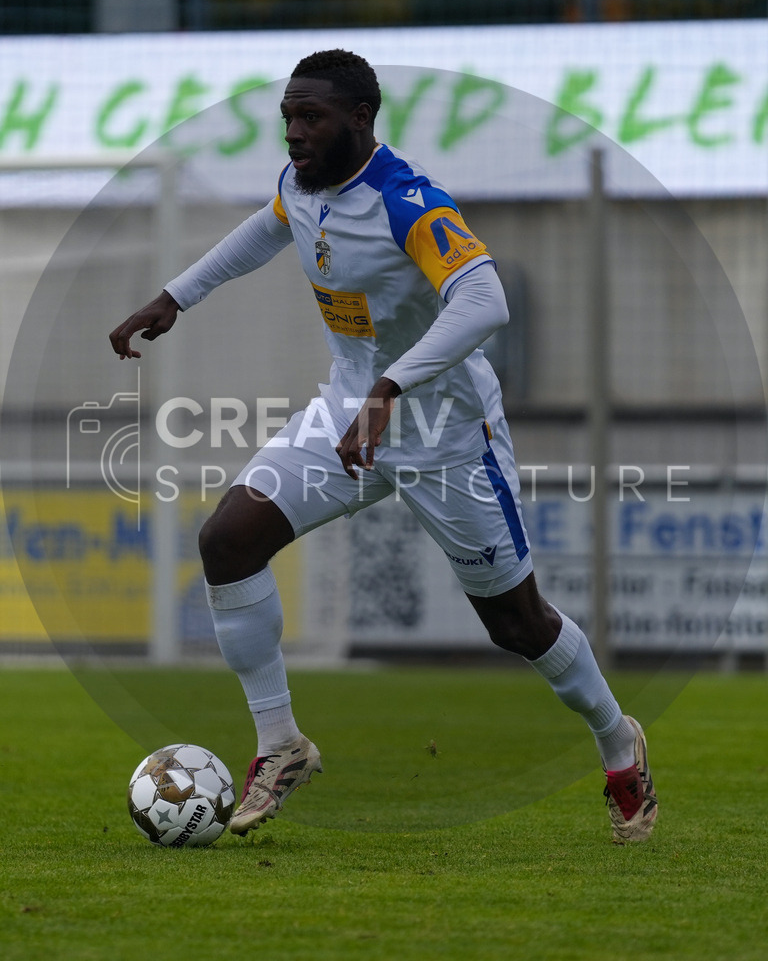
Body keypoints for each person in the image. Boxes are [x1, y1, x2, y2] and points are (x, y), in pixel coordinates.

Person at [109, 49, 657, 844]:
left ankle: (618, 743)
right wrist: (174, 297)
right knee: (228, 541)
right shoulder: (302, 185)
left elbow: (484, 299)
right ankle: (280, 744)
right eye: (289, 116)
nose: (295, 132)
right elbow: (266, 230)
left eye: (313, 118)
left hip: (444, 436)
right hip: (346, 414)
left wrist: (390, 388)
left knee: (517, 624)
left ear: (361, 120)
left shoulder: (409, 201)